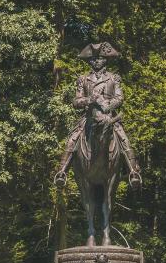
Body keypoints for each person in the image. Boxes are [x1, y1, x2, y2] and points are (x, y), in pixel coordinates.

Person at [54, 42, 141, 188]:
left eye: (99, 58)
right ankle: (62, 172)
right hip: (88, 117)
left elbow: (119, 97)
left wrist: (107, 106)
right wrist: (89, 100)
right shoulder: (83, 79)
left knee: (124, 139)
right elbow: (76, 101)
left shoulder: (114, 78)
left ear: (105, 60)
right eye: (93, 59)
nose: (96, 61)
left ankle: (133, 172)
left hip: (108, 116)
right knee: (72, 139)